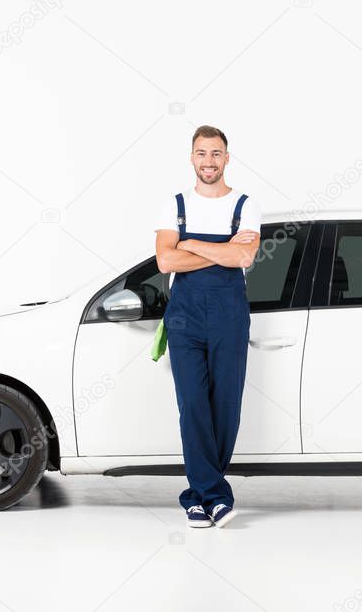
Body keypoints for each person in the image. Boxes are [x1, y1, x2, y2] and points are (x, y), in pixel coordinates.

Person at [153, 125, 261, 528]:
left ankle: (197, 498)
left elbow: (245, 258)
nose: (209, 161)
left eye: (216, 154)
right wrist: (224, 249)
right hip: (185, 315)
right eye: (201, 153)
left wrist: (190, 245)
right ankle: (214, 496)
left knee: (225, 407)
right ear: (192, 158)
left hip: (230, 314)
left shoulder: (246, 205)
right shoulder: (174, 205)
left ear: (227, 158)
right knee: (193, 405)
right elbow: (165, 262)